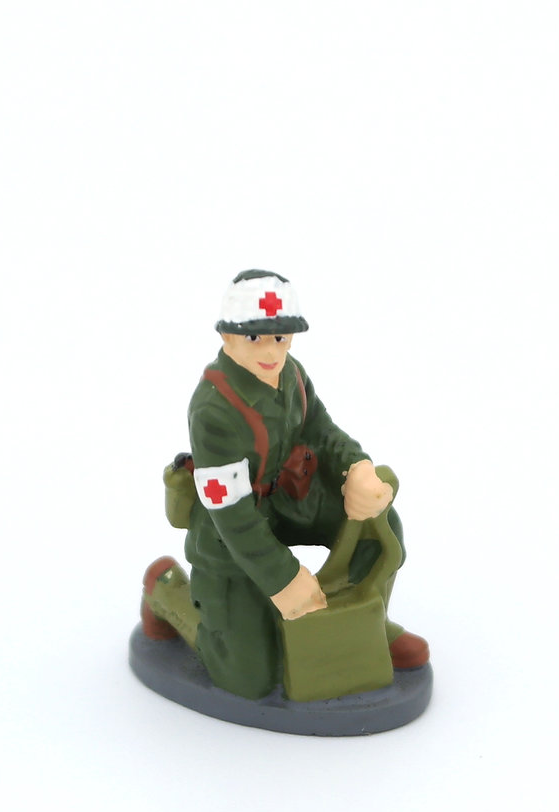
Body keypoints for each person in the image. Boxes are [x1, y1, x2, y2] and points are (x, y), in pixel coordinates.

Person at [170, 269, 429, 700]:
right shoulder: (213, 410)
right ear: (228, 336)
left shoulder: (291, 375)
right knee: (247, 678)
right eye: (255, 337)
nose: (271, 351)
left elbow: (320, 429)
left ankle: (368, 622)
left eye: (280, 337)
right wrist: (282, 578)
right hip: (229, 528)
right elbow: (228, 511)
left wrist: (355, 469)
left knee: (378, 526)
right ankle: (168, 594)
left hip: (289, 498)